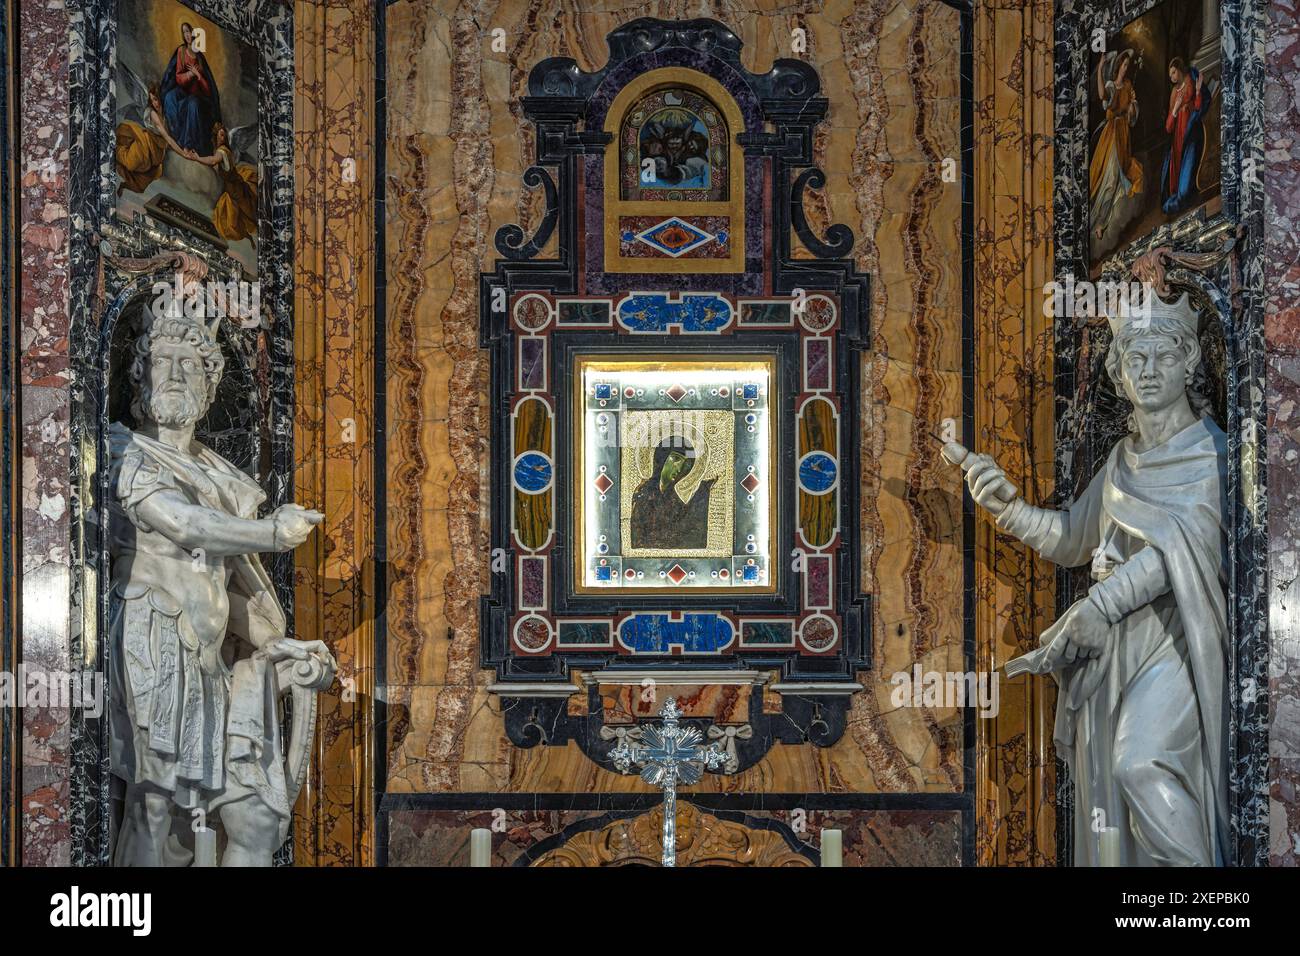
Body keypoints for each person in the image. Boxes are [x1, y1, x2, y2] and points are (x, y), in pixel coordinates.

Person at [952, 291, 1228, 866]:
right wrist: (1007, 507)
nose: (1149, 371)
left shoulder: (1210, 454)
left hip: (1175, 638)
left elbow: (1180, 549)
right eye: (1136, 359)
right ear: (1119, 373)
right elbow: (1074, 539)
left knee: (1140, 761)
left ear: (1191, 361)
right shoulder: (1123, 457)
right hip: (1112, 645)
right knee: (1106, 782)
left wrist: (1102, 604)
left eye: (1163, 356)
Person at [108, 305, 332, 866]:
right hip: (151, 638)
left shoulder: (221, 477)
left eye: (192, 363)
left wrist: (278, 651)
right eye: (163, 360)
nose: (176, 373)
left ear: (210, 387)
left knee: (205, 809)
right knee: (152, 802)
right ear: (141, 376)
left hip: (205, 657)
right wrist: (271, 533)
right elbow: (183, 525)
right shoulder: (124, 450)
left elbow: (236, 589)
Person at [1090, 49, 1144, 252]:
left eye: (1128, 66)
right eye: (1123, 65)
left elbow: (1133, 109)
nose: (1125, 68)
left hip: (1123, 134)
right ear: (1118, 66)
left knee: (1120, 175)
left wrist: (1133, 106)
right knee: (1111, 177)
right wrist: (1100, 69)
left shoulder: (1129, 85)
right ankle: (1099, 223)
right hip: (1111, 133)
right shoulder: (1112, 85)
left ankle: (1109, 216)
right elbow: (1103, 94)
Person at [629, 438, 716, 550]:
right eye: (675, 459)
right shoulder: (644, 492)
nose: (680, 468)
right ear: (661, 458)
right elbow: (639, 538)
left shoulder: (677, 495)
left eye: (686, 463)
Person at [186, 122, 258, 242]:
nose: (222, 137)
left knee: (240, 214)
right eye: (220, 135)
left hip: (235, 187)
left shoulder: (222, 152)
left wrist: (197, 158)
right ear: (216, 136)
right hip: (233, 184)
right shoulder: (222, 150)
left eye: (224, 135)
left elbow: (213, 160)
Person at [161, 21, 222, 156]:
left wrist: (199, 75)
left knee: (193, 102)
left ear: (193, 33)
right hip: (183, 91)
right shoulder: (181, 51)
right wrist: (190, 74)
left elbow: (208, 90)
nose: (187, 35)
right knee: (170, 97)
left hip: (197, 96)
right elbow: (177, 78)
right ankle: (175, 136)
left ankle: (187, 145)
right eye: (184, 32)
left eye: (188, 31)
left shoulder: (200, 58)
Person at [114, 84, 187, 196]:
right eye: (152, 100)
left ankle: (124, 185)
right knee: (131, 163)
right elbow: (167, 137)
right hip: (146, 143)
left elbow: (172, 134)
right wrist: (183, 153)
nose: (155, 103)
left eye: (156, 99)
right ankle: (114, 152)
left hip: (157, 150)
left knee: (143, 181)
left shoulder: (167, 113)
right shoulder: (153, 114)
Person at [1160, 57, 1208, 215]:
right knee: (1177, 186)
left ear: (1180, 70)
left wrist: (1198, 91)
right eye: (1170, 75)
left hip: (1191, 138)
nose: (1172, 77)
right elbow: (1168, 128)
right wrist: (1174, 111)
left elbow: (1198, 108)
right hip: (1177, 143)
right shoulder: (1174, 93)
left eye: (1173, 72)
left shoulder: (1190, 82)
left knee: (1185, 189)